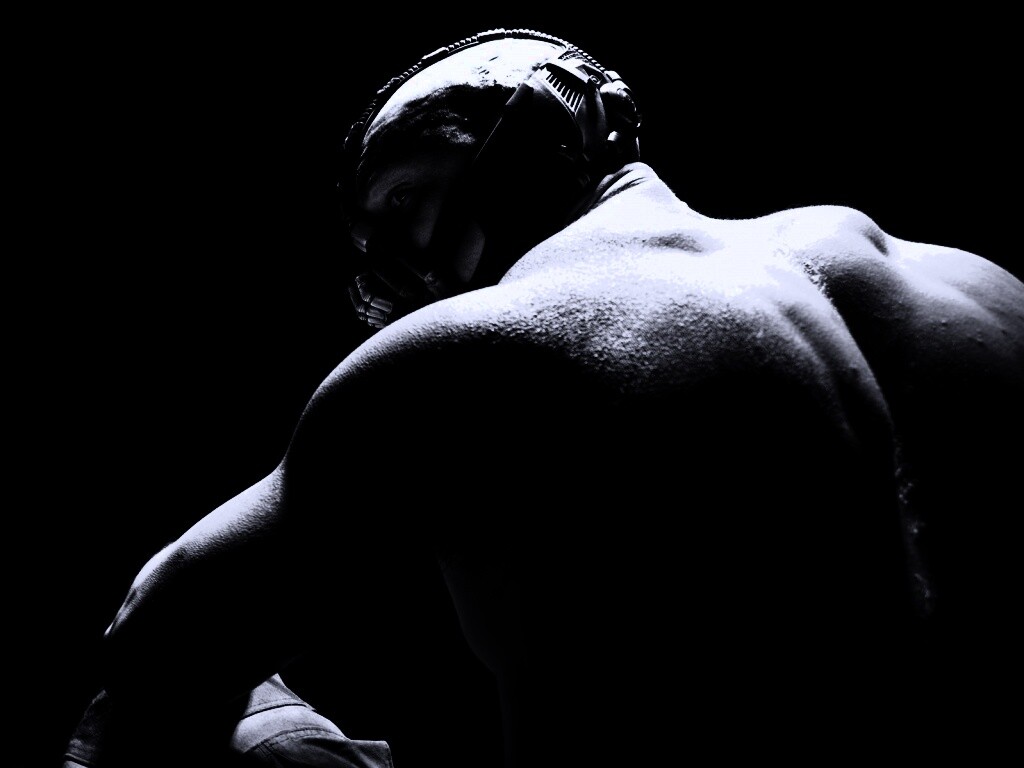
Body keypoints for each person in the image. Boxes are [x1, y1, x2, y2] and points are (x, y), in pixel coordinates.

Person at [63, 27, 1023, 767]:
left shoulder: (470, 349)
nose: (398, 258)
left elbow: (156, 641)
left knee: (223, 700)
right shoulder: (975, 289)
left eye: (402, 198)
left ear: (575, 121)